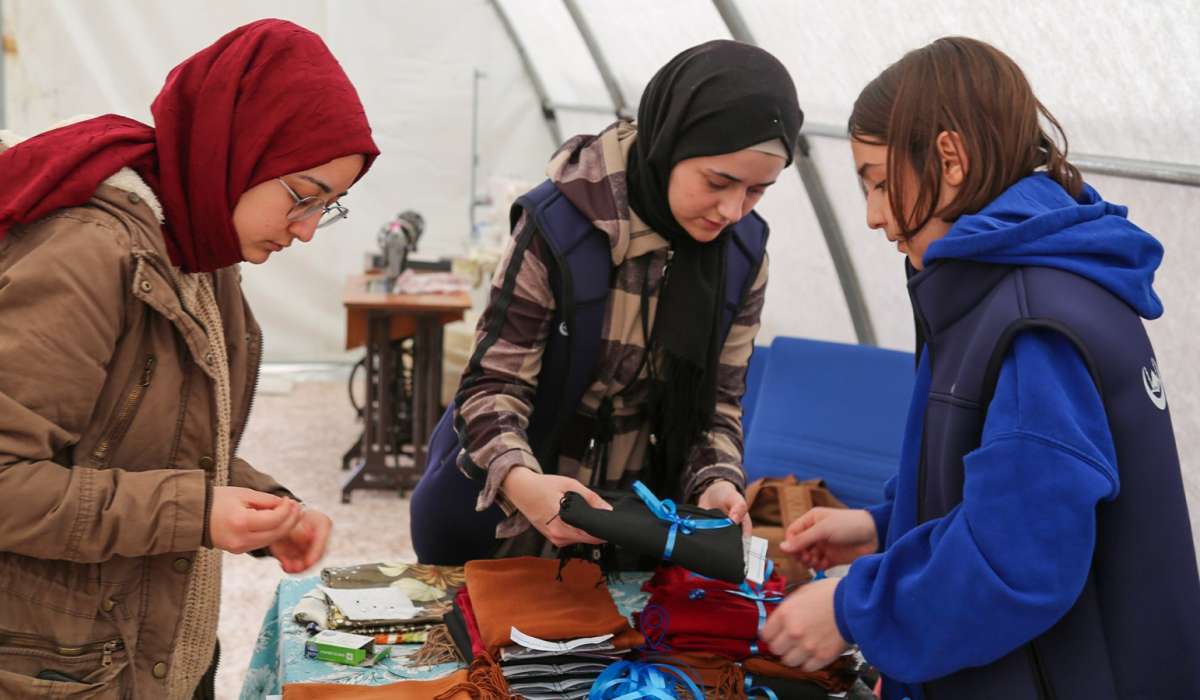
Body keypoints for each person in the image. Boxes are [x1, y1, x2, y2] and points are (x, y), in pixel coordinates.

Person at [761, 36, 1200, 699]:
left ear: (951, 158)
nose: (876, 218)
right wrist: (885, 523)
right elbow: (1010, 480)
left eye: (879, 181)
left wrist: (855, 607)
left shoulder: (1034, 317)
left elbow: (1016, 557)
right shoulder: (1016, 283)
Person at [0, 20, 378, 699]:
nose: (308, 230)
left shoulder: (201, 254)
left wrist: (266, 508)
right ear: (239, 148)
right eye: (302, 196)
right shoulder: (89, 254)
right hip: (60, 670)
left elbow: (136, 438)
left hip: (156, 651)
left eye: (330, 207)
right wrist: (196, 512)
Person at [410, 40, 803, 563]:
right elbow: (492, 387)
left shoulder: (742, 255)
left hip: (637, 529)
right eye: (718, 181)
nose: (732, 209)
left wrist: (716, 482)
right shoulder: (561, 226)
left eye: (757, 191)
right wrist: (525, 486)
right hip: (506, 521)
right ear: (670, 145)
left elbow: (718, 406)